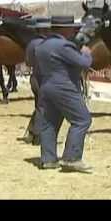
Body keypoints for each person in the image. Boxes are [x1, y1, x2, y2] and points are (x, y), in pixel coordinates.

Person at [26, 33, 93, 172]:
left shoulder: (41, 45)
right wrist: (86, 53)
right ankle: (71, 158)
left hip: (46, 85)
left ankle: (48, 159)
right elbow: (84, 63)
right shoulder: (63, 46)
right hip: (64, 88)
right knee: (82, 120)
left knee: (50, 123)